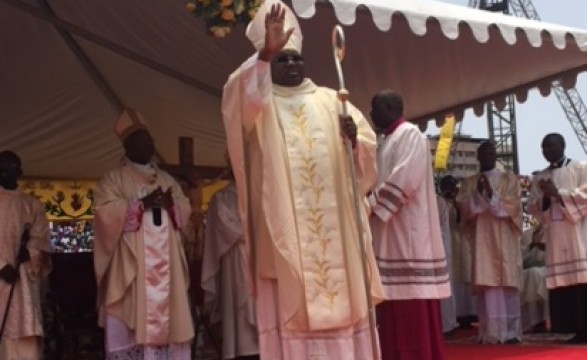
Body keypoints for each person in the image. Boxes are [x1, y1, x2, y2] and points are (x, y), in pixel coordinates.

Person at [221, 0, 385, 358]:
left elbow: (368, 158)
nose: (291, 64)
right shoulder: (259, 106)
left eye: (296, 58)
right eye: (283, 59)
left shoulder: (330, 99)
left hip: (338, 237)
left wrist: (354, 140)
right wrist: (265, 52)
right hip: (287, 238)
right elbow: (236, 101)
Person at [93, 109, 194, 359]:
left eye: (149, 140)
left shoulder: (167, 179)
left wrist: (172, 206)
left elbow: (185, 211)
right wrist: (139, 205)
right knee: (131, 316)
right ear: (127, 145)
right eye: (140, 140)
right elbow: (104, 213)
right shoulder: (113, 179)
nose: (148, 144)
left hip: (166, 269)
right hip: (133, 269)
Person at [368, 90, 450, 360]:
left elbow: (405, 178)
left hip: (408, 235)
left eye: (374, 107)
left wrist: (372, 206)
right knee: (392, 306)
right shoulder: (386, 140)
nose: (371, 114)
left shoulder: (410, 134)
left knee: (410, 302)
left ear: (391, 106)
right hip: (390, 231)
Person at [456, 141, 523, 344]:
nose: (487, 156)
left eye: (490, 152)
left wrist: (491, 194)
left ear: (495, 156)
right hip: (482, 241)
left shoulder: (509, 179)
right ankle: (489, 332)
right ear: (478, 157)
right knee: (488, 284)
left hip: (504, 239)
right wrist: (478, 193)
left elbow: (513, 207)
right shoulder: (469, 183)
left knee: (506, 284)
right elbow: (464, 208)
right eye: (483, 153)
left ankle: (510, 332)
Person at [527, 133, 587, 343]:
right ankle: (570, 327)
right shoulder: (540, 176)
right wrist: (545, 198)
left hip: (576, 234)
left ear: (562, 145)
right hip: (555, 235)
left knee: (581, 281)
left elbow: (585, 197)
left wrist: (558, 193)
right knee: (563, 284)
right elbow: (532, 207)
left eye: (550, 146)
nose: (546, 151)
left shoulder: (580, 168)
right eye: (543, 148)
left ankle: (584, 328)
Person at [201, 155, 259, 360]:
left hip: (260, 262)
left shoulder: (259, 195)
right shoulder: (221, 198)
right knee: (239, 324)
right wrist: (255, 232)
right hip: (235, 262)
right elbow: (228, 230)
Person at [0, 150, 51, 360]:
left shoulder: (32, 204)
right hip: (1, 278)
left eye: (11, 168)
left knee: (26, 333)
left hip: (23, 279)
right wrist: (2, 265)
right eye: (1, 168)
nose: (5, 172)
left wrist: (29, 251)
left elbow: (41, 237)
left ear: (19, 172)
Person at [439, 175, 477, 329]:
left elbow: (464, 219)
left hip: (461, 239)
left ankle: (469, 312)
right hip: (450, 243)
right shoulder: (440, 203)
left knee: (466, 274)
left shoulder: (460, 202)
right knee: (454, 277)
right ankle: (457, 313)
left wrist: (456, 203)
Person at [519, 222, 548, 333]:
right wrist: (532, 245)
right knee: (530, 273)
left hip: (551, 267)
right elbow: (520, 259)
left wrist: (542, 246)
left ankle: (540, 320)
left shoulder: (553, 230)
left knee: (533, 274)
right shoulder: (528, 233)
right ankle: (534, 320)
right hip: (532, 268)